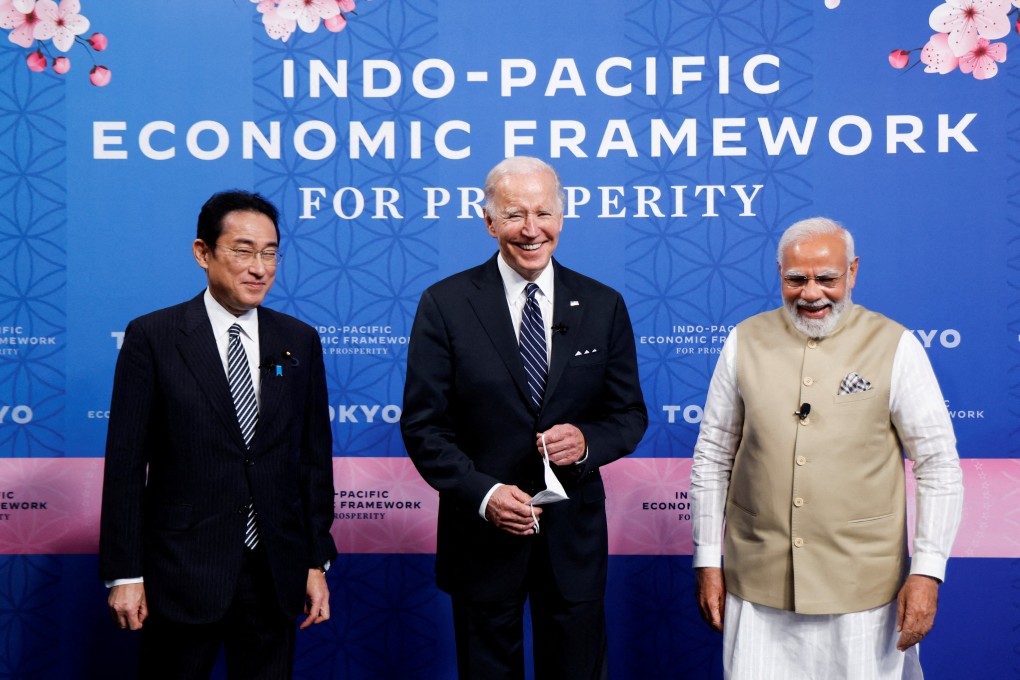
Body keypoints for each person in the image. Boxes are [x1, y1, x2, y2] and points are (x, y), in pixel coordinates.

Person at [400, 156, 647, 679]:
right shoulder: (445, 304)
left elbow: (628, 415)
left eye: (543, 213)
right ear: (488, 222)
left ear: (563, 216)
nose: (531, 230)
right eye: (514, 215)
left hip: (573, 542)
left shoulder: (603, 305)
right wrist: (485, 496)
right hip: (482, 539)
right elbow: (424, 426)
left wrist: (585, 442)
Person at [690, 217, 964, 679]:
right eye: (796, 279)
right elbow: (713, 456)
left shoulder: (896, 346)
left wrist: (927, 571)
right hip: (757, 586)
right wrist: (706, 559)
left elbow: (938, 465)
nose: (811, 293)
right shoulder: (744, 340)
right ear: (780, 273)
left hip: (863, 593)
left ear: (853, 273)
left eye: (827, 279)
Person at [99, 190, 337, 679]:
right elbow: (125, 464)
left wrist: (316, 561)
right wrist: (126, 573)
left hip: (274, 573)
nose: (260, 268)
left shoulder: (298, 341)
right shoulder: (154, 337)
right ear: (203, 253)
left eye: (270, 252)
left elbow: (313, 460)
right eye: (243, 250)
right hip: (182, 571)